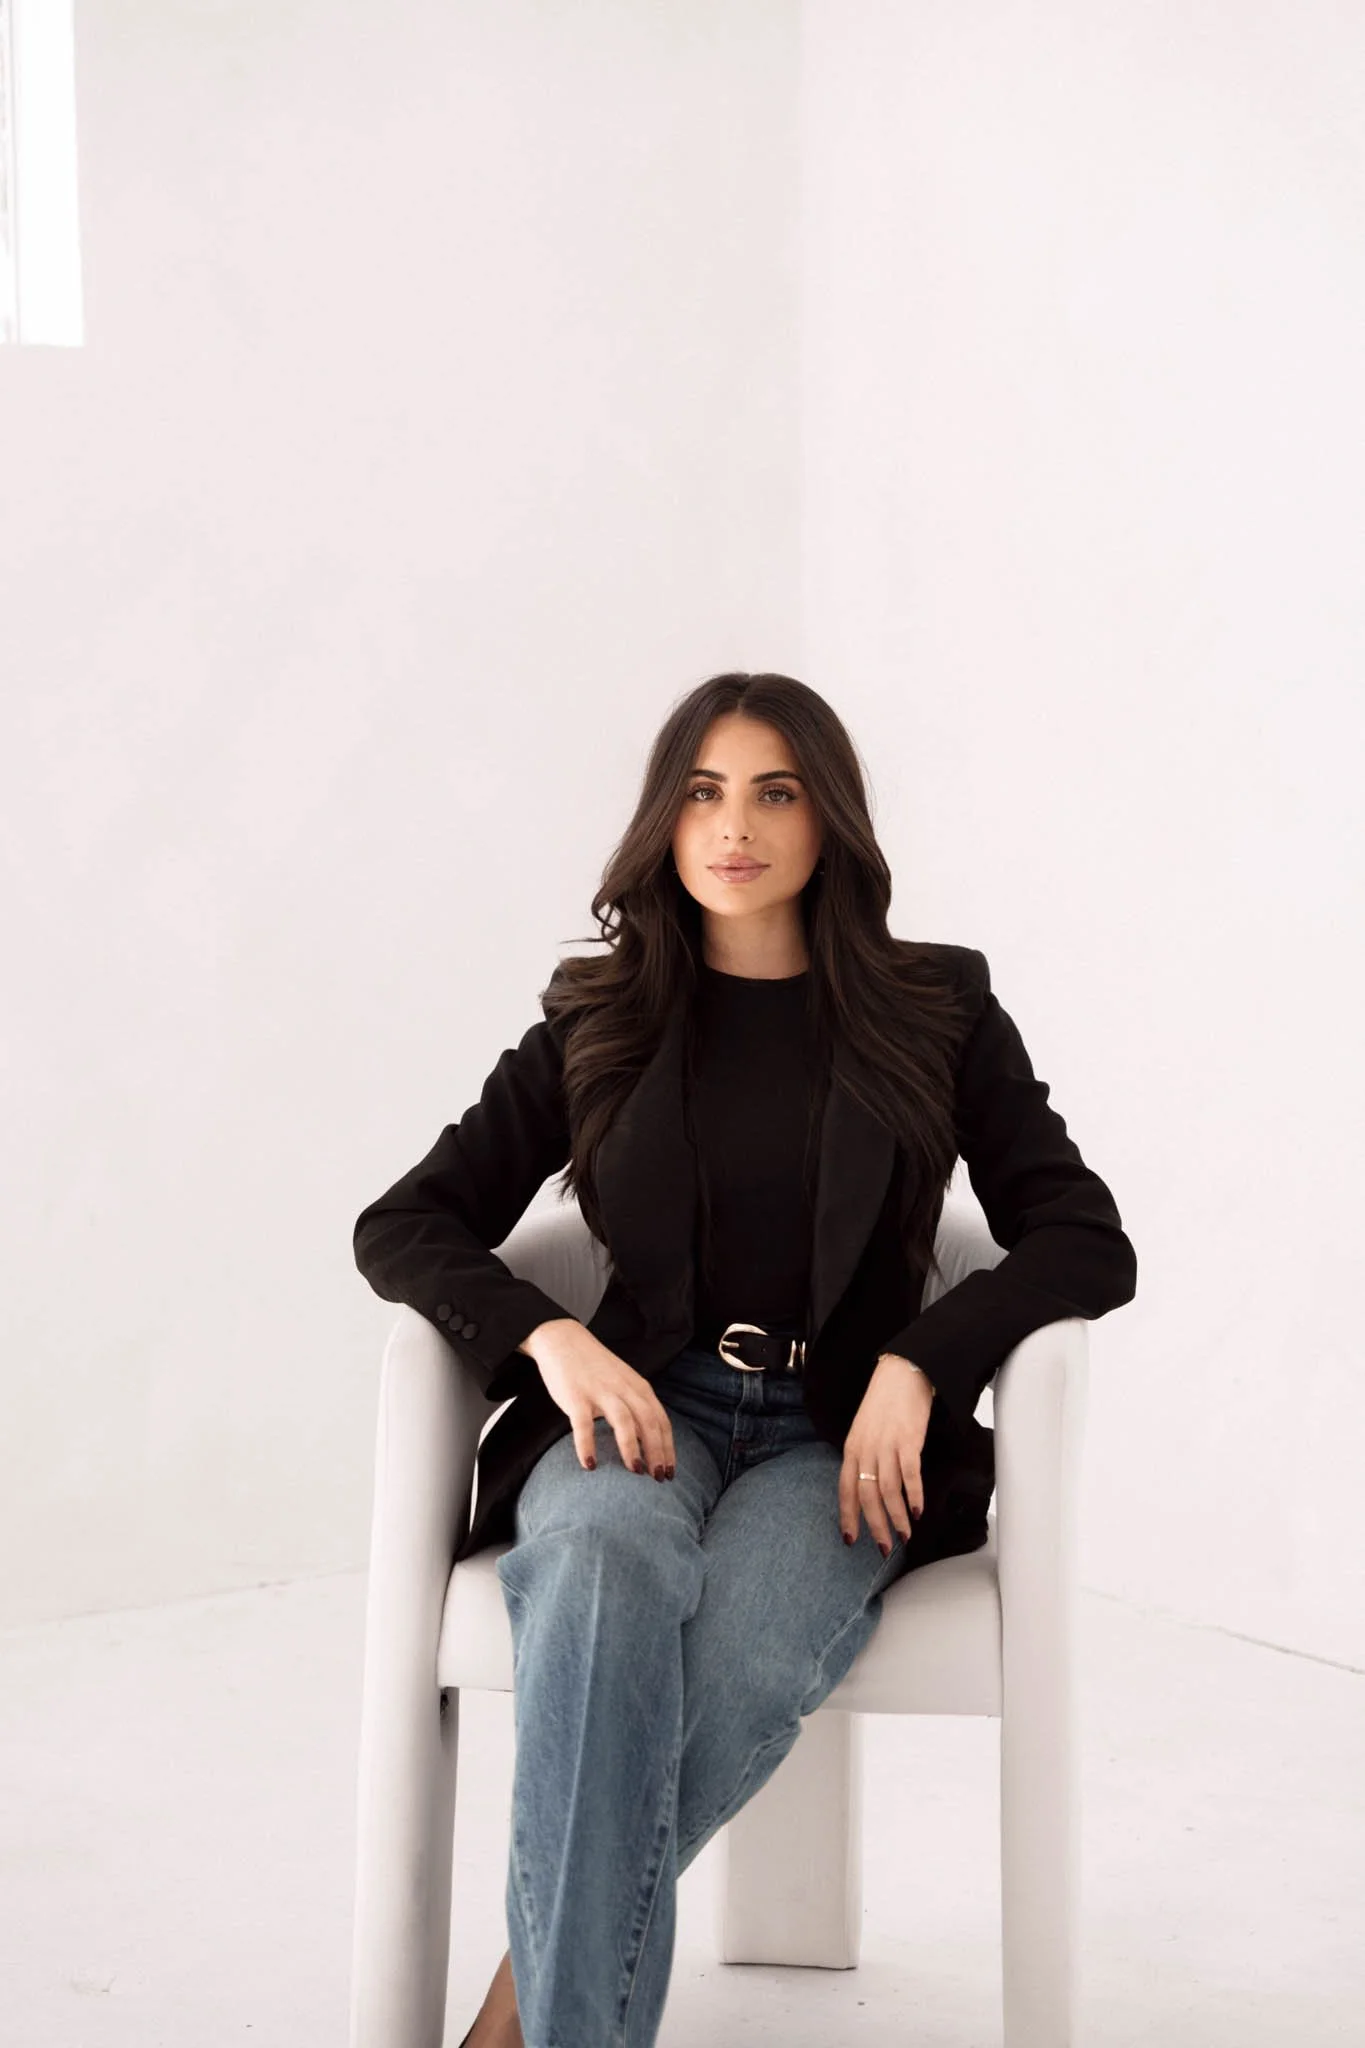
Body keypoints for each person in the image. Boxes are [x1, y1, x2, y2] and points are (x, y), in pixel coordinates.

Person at [352, 671, 1139, 2048]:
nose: (736, 825)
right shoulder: (599, 1014)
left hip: (839, 1448)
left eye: (776, 791)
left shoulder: (935, 1007)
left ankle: (522, 2015)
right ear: (665, 819)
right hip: (642, 1413)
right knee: (601, 1564)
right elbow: (406, 1221)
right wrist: (545, 1340)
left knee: (745, 1649)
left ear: (828, 820)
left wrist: (922, 1360)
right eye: (705, 791)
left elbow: (1084, 1237)